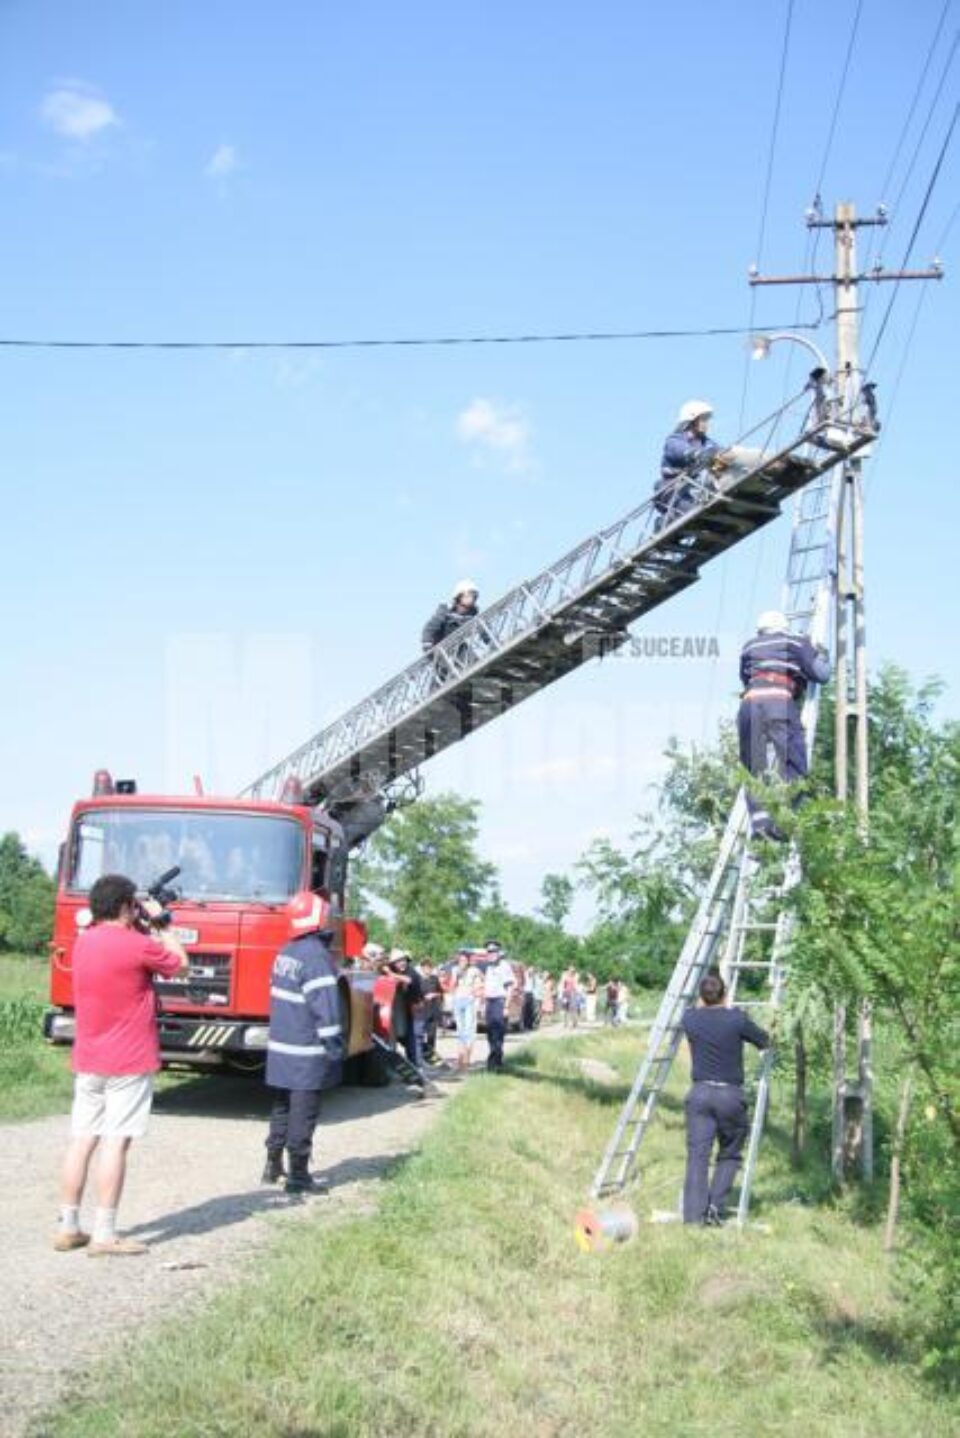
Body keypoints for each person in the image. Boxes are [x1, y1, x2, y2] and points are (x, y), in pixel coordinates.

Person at [54, 873, 188, 1256]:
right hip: (128, 1060)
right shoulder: (138, 945)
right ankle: (105, 1233)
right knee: (116, 1143)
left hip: (89, 1057)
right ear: (128, 907)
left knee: (82, 1140)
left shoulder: (83, 943)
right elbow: (180, 964)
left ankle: (67, 1225)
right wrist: (162, 923)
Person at [263, 890, 344, 1195]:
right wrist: (335, 1048)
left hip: (281, 1047)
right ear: (317, 919)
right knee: (303, 1111)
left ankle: (272, 1165)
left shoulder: (287, 952)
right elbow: (327, 1009)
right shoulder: (316, 958)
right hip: (305, 1051)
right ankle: (298, 1176)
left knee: (282, 1106)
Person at [681, 972, 770, 1225]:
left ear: (701, 996)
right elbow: (765, 1041)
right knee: (729, 1153)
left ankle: (693, 1217)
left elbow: (696, 1011)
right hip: (730, 1096)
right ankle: (714, 1209)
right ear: (725, 994)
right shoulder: (737, 1020)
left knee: (698, 1156)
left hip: (699, 1094)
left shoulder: (690, 1018)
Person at [738, 609, 831, 839]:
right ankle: (788, 820)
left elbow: (746, 678)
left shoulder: (749, 647)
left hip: (749, 706)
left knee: (755, 768)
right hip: (778, 703)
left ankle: (761, 825)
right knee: (793, 761)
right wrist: (820, 656)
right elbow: (821, 674)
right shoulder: (795, 642)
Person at [654, 401, 765, 530]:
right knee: (692, 514)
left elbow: (723, 455)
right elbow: (681, 451)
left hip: (696, 488)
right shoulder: (675, 440)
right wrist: (696, 454)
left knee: (713, 509)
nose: (707, 424)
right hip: (674, 490)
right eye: (703, 419)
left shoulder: (707, 443)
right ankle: (664, 523)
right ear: (691, 420)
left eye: (707, 420)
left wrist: (735, 460)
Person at [384, 948, 426, 1075]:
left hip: (417, 1011)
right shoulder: (397, 971)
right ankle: (412, 1067)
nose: (401, 963)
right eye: (397, 961)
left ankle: (418, 1069)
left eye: (402, 960)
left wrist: (390, 974)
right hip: (408, 1012)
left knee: (415, 1041)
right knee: (409, 1041)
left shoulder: (411, 971)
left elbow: (408, 980)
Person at [482, 941, 515, 1072]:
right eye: (489, 952)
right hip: (490, 1002)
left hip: (499, 1002)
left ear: (499, 952)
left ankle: (494, 1063)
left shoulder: (504, 966)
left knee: (498, 1034)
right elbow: (487, 988)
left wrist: (506, 1007)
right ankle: (496, 1061)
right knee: (490, 1033)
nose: (491, 954)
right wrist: (484, 1005)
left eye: (493, 951)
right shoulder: (489, 967)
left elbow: (510, 988)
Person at [421, 579, 481, 652]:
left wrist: (490, 641)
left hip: (457, 644)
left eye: (474, 596)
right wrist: (427, 644)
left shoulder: (473, 613)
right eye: (469, 595)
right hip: (439, 646)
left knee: (470, 657)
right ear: (460, 595)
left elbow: (482, 627)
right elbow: (430, 627)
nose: (472, 598)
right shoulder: (446, 609)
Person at [451, 948, 483, 1073]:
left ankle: (466, 1062)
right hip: (458, 1002)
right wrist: (456, 977)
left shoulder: (474, 970)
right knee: (460, 1032)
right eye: (460, 960)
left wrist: (477, 990)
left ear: (468, 961)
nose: (462, 962)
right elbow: (452, 986)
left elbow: (484, 980)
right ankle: (460, 1062)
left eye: (464, 960)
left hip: (469, 1001)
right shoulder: (455, 970)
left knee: (469, 1031)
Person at [418, 957, 444, 1066]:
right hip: (422, 1011)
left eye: (429, 967)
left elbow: (441, 992)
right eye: (425, 967)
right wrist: (424, 997)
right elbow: (416, 995)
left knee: (432, 1035)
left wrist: (435, 995)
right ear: (422, 968)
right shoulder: (418, 980)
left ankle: (431, 1057)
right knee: (420, 1035)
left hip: (433, 1010)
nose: (427, 969)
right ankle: (419, 1056)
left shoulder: (434, 979)